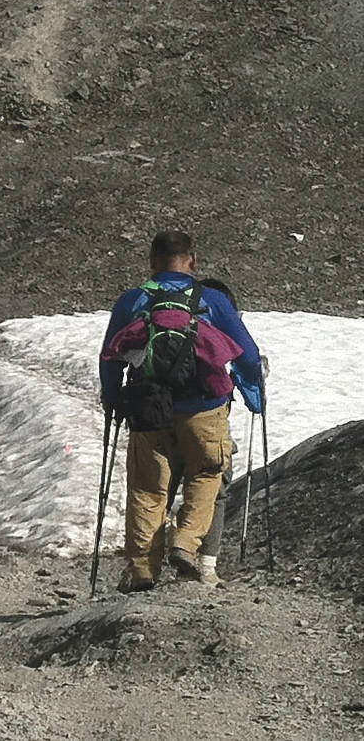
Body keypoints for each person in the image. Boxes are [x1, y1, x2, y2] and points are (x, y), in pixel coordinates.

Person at [100, 231, 265, 592]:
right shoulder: (214, 301)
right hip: (205, 408)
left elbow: (110, 357)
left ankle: (143, 569)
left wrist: (113, 400)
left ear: (152, 261)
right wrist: (254, 387)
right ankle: (186, 543)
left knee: (148, 488)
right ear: (193, 261)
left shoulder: (133, 300)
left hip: (149, 408)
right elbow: (248, 356)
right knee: (207, 473)